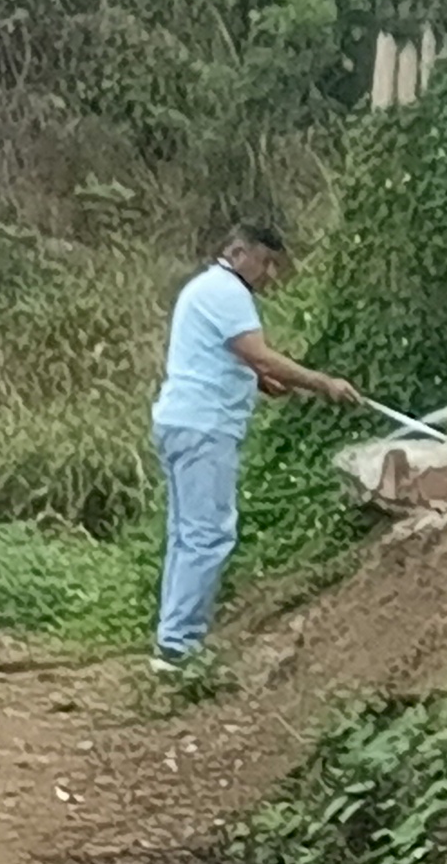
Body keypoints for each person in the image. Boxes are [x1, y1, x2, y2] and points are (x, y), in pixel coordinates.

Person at [147, 219, 365, 669]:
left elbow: (225, 356)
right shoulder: (228, 293)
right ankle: (178, 646)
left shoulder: (204, 288)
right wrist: (322, 383)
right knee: (208, 534)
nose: (269, 275)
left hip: (181, 422)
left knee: (187, 534)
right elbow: (258, 354)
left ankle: (173, 636)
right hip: (205, 428)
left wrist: (259, 382)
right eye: (265, 263)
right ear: (238, 252)